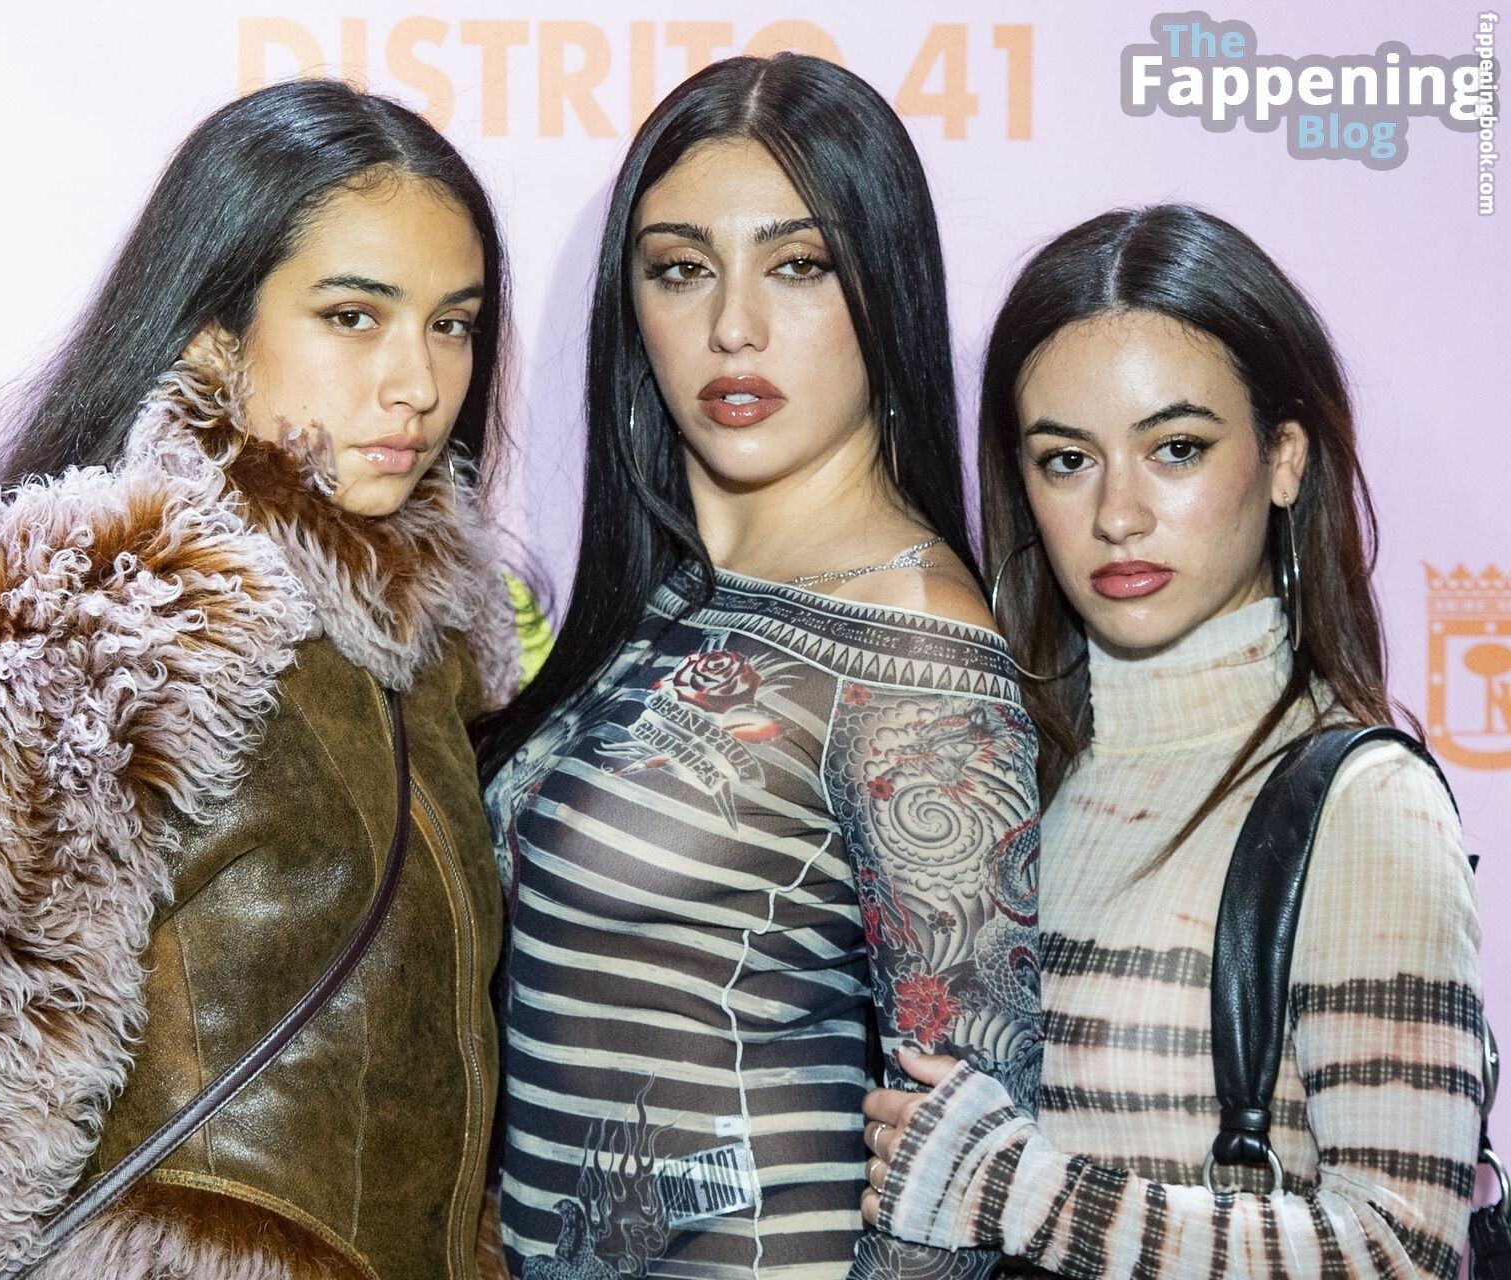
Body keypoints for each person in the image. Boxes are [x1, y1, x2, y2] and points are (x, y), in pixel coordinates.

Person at [0, 80, 520, 1280]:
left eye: (453, 323)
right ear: (213, 333)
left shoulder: (442, 651)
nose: (418, 382)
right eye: (353, 316)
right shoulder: (114, 603)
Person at [477, 54, 1043, 1279]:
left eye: (799, 265)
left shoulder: (917, 653)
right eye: (682, 268)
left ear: (884, 283)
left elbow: (967, 1155)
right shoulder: (664, 592)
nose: (734, 326)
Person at [860, 204, 1485, 1279]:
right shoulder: (1007, 778)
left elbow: (1403, 1252)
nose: (1118, 513)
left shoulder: (1362, 806)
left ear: (1285, 457)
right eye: (1067, 460)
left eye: (1177, 448)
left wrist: (1014, 1190)